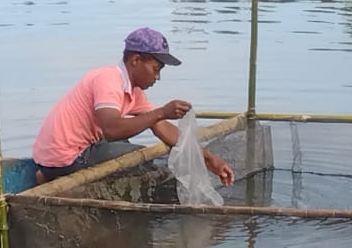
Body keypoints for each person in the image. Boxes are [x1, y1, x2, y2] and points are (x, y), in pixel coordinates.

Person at [32, 27, 235, 185]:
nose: (158, 77)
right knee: (141, 162)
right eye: (155, 69)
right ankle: (55, 176)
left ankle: (47, 175)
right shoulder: (109, 80)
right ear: (136, 60)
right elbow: (111, 130)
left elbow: (163, 128)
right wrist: (161, 112)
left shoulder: (133, 91)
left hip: (57, 155)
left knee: (128, 142)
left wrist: (210, 159)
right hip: (66, 158)